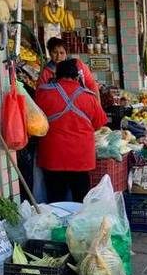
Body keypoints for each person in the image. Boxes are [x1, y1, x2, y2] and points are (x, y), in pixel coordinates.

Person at [36, 59, 108, 203]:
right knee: (81, 200)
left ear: (56, 75)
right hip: (81, 158)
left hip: (53, 155)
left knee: (56, 202)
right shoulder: (89, 97)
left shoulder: (43, 94)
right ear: (77, 77)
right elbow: (99, 124)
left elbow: (34, 122)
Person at [38, 37, 100, 103]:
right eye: (55, 52)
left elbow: (91, 84)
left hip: (82, 102)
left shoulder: (78, 65)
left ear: (66, 53)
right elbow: (40, 94)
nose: (58, 56)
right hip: (59, 106)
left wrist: (97, 103)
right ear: (50, 53)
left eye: (62, 53)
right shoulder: (46, 73)